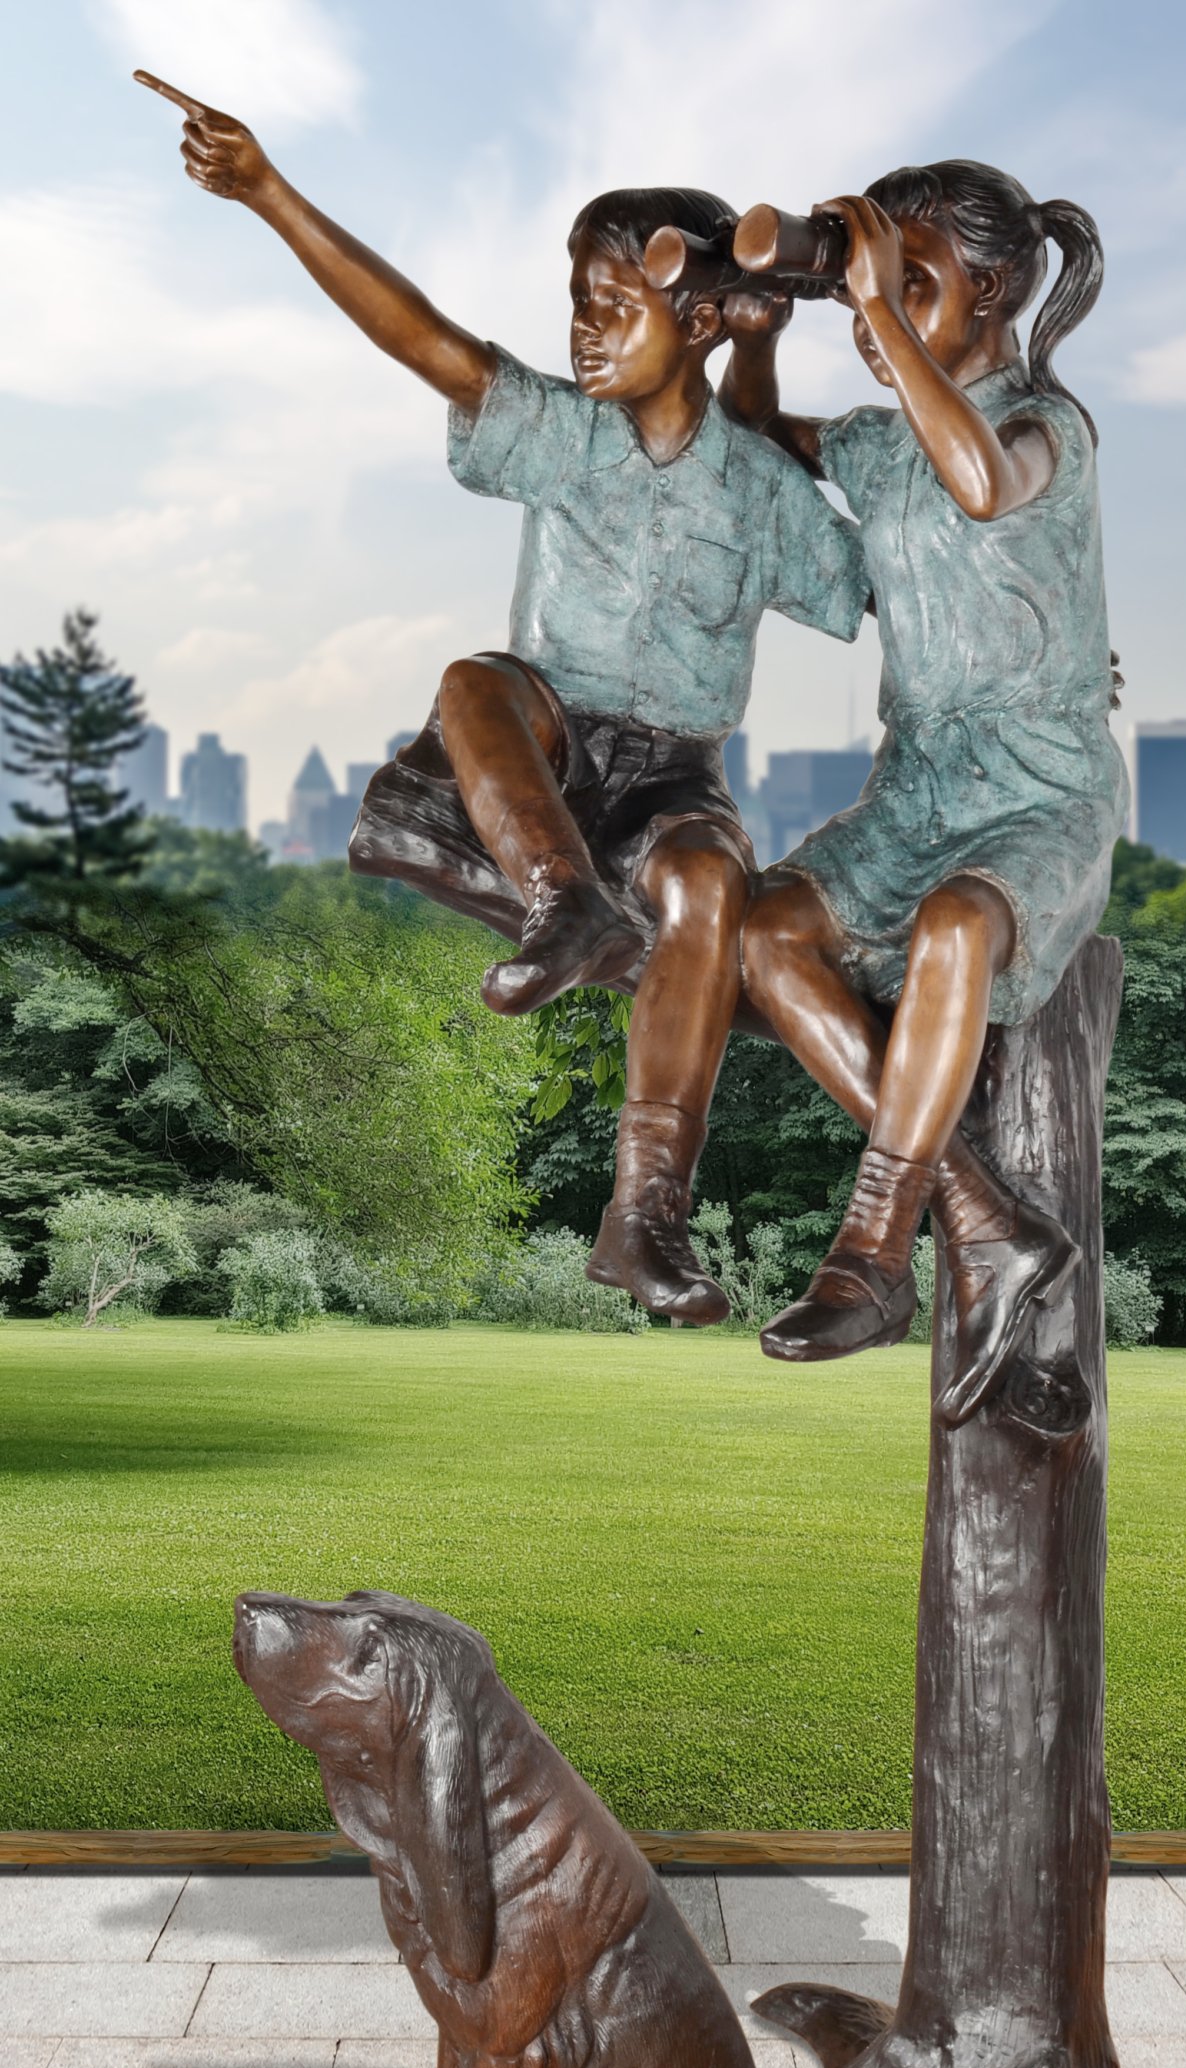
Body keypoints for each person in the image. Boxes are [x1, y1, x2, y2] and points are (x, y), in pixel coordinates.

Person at [136, 71, 869, 1325]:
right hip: (544, 746)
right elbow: (416, 332)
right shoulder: (554, 431)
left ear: (694, 323)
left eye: (613, 306)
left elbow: (889, 594)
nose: (584, 332)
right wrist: (266, 191)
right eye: (575, 304)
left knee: (705, 886)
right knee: (477, 678)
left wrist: (1052, 656)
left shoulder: (764, 497)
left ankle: (643, 1218)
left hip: (676, 775)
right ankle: (561, 897)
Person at [722, 160, 1129, 1423]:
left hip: (1041, 784)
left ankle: (873, 1250)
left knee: (960, 923)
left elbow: (982, 482)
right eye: (873, 286)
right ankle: (986, 1215)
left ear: (994, 289)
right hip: (916, 786)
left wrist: (879, 318)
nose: (875, 307)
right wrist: (763, 333)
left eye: (915, 282)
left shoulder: (1044, 427)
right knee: (765, 933)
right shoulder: (880, 439)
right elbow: (752, 450)